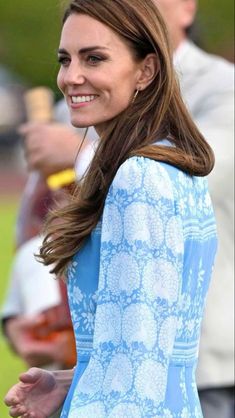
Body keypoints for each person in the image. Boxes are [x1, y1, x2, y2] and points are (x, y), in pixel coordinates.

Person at [4, 0, 217, 417]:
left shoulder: (138, 177)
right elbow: (152, 345)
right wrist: (72, 380)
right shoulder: (170, 163)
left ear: (146, 70)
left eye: (94, 58)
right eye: (66, 59)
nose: (71, 77)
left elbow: (136, 380)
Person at [154, 1, 234, 417]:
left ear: (186, 8)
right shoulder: (82, 93)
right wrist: (26, 307)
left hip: (201, 364)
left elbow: (199, 175)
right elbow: (47, 223)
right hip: (95, 367)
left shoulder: (223, 85)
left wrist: (83, 153)